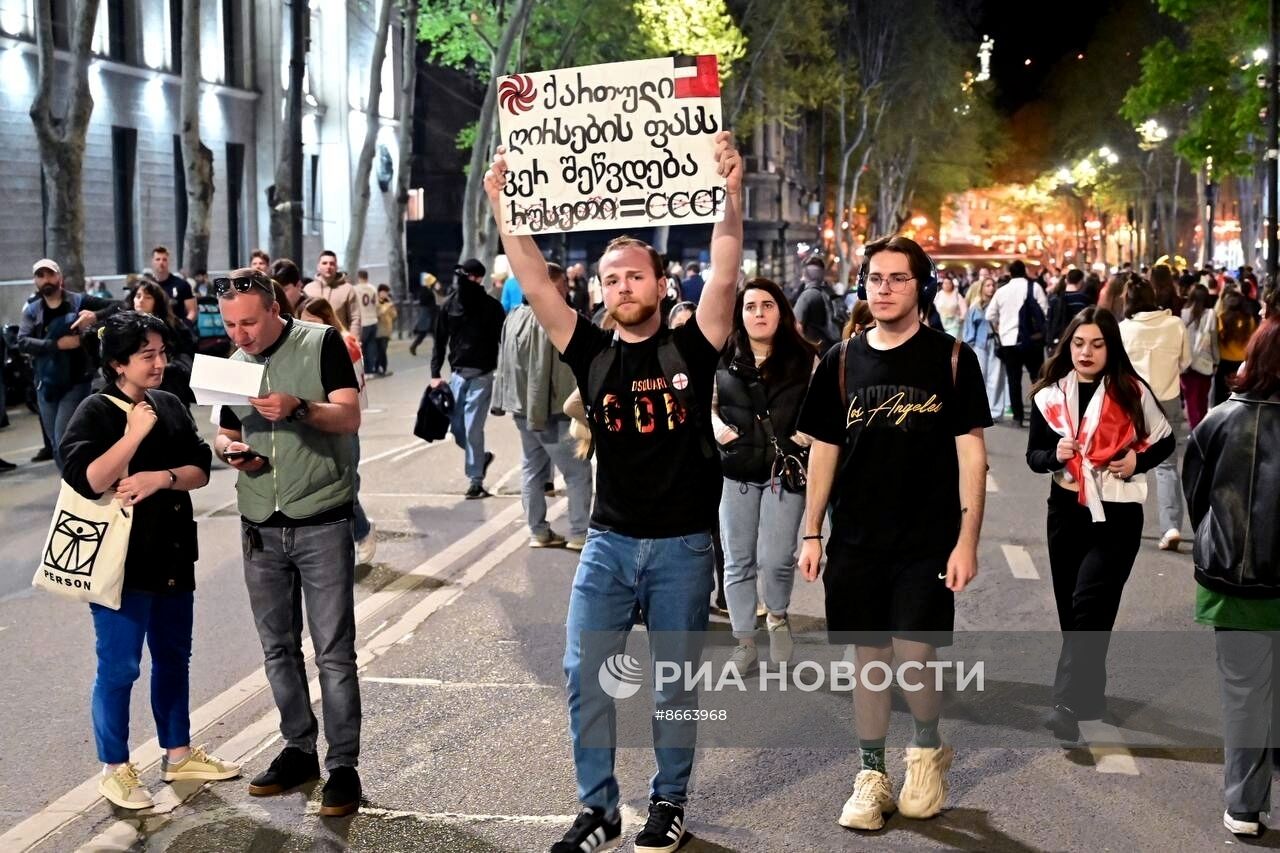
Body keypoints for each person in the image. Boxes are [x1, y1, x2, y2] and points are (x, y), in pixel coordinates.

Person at [485, 131, 742, 853]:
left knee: (672, 685)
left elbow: (725, 270)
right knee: (583, 675)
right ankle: (598, 808)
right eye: (611, 277)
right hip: (608, 540)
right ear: (599, 289)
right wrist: (505, 202)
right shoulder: (589, 352)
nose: (622, 286)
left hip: (684, 545)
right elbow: (534, 278)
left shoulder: (692, 345)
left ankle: (668, 801)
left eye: (635, 275)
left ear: (660, 284)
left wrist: (731, 190)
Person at [796, 235, 991, 831]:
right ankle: (872, 773)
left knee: (914, 657)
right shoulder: (841, 361)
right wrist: (812, 533)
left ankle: (927, 750)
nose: (884, 288)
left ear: (920, 286)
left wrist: (967, 540)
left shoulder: (953, 358)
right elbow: (824, 453)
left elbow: (971, 458)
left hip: (927, 540)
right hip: (856, 539)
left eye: (897, 278)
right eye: (875, 279)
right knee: (869, 659)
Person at [60, 311, 237, 810]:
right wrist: (133, 436)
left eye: (162, 353)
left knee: (174, 659)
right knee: (119, 668)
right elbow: (87, 479)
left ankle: (177, 752)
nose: (160, 363)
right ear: (118, 363)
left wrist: (160, 478)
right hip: (121, 567)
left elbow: (201, 468)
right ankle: (114, 768)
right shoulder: (94, 412)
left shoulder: (169, 402)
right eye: (147, 356)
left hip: (175, 557)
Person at [212, 269, 364, 817]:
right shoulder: (230, 365)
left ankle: (343, 764)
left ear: (276, 308)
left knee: (334, 654)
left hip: (321, 517)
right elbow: (226, 429)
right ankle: (299, 749)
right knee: (277, 649)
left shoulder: (322, 343)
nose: (241, 334)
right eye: (230, 324)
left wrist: (299, 407)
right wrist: (233, 450)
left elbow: (349, 417)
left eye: (249, 322)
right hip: (259, 522)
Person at [1026, 307, 1174, 742]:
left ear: (1111, 347)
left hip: (1117, 514)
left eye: (1096, 344)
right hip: (1066, 511)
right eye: (1078, 343)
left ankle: (1066, 703)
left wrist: (1137, 459)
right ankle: (1091, 697)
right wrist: (1054, 455)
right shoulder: (1050, 395)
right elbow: (1035, 456)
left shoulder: (1131, 391)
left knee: (1089, 604)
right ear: (1067, 345)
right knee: (1077, 614)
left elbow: (1164, 439)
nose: (1086, 352)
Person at [1183, 314, 1280, 839]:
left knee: (1246, 693)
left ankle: (1245, 807)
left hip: (1233, 582)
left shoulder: (1218, 421)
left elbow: (1198, 498)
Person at [712, 278, 817, 673]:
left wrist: (798, 440)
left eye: (767, 305)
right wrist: (723, 434)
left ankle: (776, 615)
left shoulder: (806, 358)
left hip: (783, 471)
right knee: (737, 560)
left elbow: (820, 410)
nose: (759, 313)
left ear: (781, 312)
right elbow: (710, 405)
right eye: (751, 306)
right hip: (736, 471)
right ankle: (743, 641)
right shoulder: (723, 356)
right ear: (740, 314)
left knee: (775, 559)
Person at [492, 262, 593, 550]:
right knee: (577, 473)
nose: (566, 292)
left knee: (532, 470)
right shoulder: (549, 319)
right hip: (549, 410)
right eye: (563, 287)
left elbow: (506, 364)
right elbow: (539, 372)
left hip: (521, 409)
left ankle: (538, 531)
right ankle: (579, 532)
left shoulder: (513, 316)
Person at [18, 258, 121, 471]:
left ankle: (80, 484)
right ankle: (71, 483)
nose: (46, 279)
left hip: (76, 381)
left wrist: (95, 316)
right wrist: (56, 344)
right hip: (46, 384)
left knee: (63, 437)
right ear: (35, 281)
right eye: (41, 275)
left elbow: (118, 305)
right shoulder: (32, 310)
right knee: (56, 443)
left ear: (59, 277)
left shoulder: (78, 301)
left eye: (50, 274)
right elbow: (22, 341)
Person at [1118, 279, 1191, 551]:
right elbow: (1186, 362)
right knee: (1167, 466)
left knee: (1126, 461)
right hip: (1168, 399)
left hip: (1133, 402)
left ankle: (1122, 524)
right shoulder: (1175, 325)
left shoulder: (1124, 329)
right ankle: (1171, 526)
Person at [431, 259, 506, 499]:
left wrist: (505, 375)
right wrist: (434, 373)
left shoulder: (491, 307)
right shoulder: (449, 306)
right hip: (457, 375)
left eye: (473, 276)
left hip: (483, 375)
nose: (468, 281)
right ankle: (481, 458)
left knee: (474, 428)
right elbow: (440, 340)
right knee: (457, 428)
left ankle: (475, 480)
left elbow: (503, 342)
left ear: (479, 278)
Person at [985, 259, 1050, 427]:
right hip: (1032, 341)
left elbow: (989, 315)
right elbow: (1045, 310)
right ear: (1025, 271)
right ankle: (1039, 415)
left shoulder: (1002, 291)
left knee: (1013, 380)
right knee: (1037, 378)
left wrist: (1001, 326)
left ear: (1010, 273)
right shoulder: (1034, 287)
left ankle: (1017, 417)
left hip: (1008, 341)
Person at [132, 280, 197, 405]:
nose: (141, 300)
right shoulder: (126, 325)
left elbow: (187, 347)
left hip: (169, 384)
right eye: (138, 296)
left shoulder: (170, 324)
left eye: (148, 297)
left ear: (157, 301)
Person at [963, 276, 1008, 422]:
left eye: (992, 285)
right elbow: (969, 327)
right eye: (988, 285)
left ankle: (994, 411)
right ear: (982, 288)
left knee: (996, 378)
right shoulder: (975, 306)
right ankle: (978, 409)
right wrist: (968, 344)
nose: (991, 288)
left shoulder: (999, 304)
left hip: (995, 342)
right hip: (979, 344)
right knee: (979, 376)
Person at [1215, 289, 1258, 406]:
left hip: (1224, 363)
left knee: (1221, 397)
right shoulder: (1250, 319)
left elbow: (1216, 339)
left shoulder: (1221, 318)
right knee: (1240, 396)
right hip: (1243, 364)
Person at [303, 250, 361, 336]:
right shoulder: (308, 289)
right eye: (324, 263)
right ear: (318, 267)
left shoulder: (348, 289)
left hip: (339, 342)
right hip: (314, 342)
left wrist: (354, 342)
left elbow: (355, 319)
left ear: (336, 267)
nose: (328, 266)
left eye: (332, 263)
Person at [794, 256, 841, 353]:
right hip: (833, 347)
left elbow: (797, 325)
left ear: (805, 274)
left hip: (815, 349)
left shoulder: (807, 295)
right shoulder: (829, 292)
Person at [1047, 269, 1093, 352]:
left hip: (1059, 340)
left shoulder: (1054, 299)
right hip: (1079, 341)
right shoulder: (1084, 299)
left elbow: (1049, 321)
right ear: (1081, 281)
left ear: (1066, 280)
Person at [150, 246, 197, 325]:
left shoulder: (182, 284)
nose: (161, 262)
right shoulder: (148, 286)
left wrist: (184, 326)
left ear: (168, 262)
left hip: (176, 330)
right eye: (158, 259)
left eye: (164, 259)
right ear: (152, 262)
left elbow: (192, 311)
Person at [409, 273, 442, 356]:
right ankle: (414, 346)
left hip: (431, 315)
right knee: (423, 333)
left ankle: (437, 350)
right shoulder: (425, 291)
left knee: (435, 333)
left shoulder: (429, 290)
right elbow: (428, 303)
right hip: (427, 315)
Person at [353, 269, 379, 366]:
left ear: (359, 277)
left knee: (362, 347)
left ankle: (364, 368)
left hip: (363, 322)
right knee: (372, 346)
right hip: (373, 320)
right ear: (367, 277)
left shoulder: (355, 289)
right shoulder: (373, 288)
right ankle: (371, 368)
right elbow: (377, 304)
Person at [374, 284, 396, 376]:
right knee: (381, 351)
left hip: (387, 330)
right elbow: (378, 314)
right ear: (379, 293)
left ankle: (379, 368)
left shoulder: (388, 302)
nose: (385, 294)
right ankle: (381, 368)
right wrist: (387, 306)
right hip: (379, 330)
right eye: (383, 292)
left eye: (386, 292)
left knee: (383, 350)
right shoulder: (376, 303)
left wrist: (391, 308)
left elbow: (394, 315)